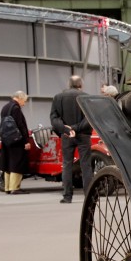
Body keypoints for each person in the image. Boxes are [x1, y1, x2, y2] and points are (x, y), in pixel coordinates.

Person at [50, 75, 92, 203]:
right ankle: (89, 196)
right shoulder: (86, 97)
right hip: (84, 135)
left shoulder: (58, 97)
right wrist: (76, 128)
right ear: (81, 85)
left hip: (67, 136)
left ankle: (67, 196)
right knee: (86, 165)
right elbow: (89, 118)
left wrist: (67, 129)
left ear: (69, 84)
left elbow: (54, 118)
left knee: (67, 165)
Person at [0, 91, 31, 195]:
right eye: (24, 101)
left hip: (6, 139)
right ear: (20, 98)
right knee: (17, 162)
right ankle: (15, 187)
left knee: (8, 161)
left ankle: (7, 187)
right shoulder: (16, 108)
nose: (24, 103)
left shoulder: (5, 107)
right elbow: (20, 125)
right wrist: (26, 141)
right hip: (16, 139)